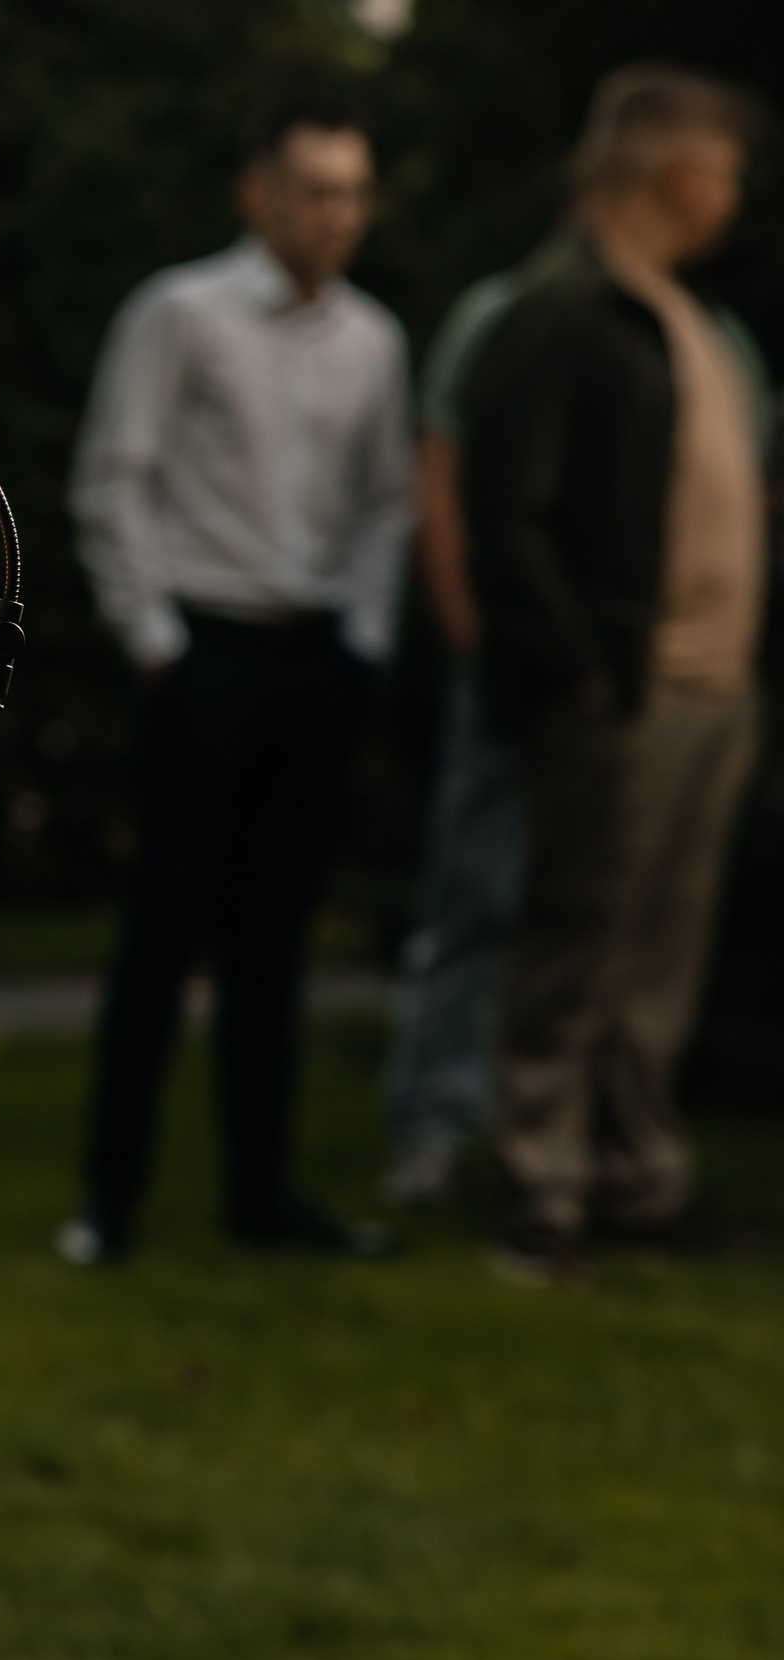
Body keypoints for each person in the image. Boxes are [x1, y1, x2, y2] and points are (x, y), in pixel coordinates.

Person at [59, 96, 412, 1264]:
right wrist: (155, 638)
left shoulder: (374, 340)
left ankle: (260, 1193)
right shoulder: (182, 312)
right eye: (314, 189)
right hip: (200, 653)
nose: (335, 214)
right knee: (163, 930)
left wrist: (359, 637)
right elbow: (117, 478)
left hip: (314, 662)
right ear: (256, 193)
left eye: (352, 191)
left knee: (274, 939)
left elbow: (383, 504)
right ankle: (110, 1199)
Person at [462, 66, 771, 1283]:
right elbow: (508, 516)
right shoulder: (560, 310)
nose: (736, 195)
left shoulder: (684, 316)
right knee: (579, 942)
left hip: (713, 690)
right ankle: (536, 1188)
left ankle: (637, 1179)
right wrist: (584, 672)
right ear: (678, 172)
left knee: (661, 956)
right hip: (621, 693)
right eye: (730, 172)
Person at [378, 269, 522, 1208]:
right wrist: (467, 630)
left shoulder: (704, 329)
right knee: (474, 895)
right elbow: (436, 472)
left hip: (642, 679)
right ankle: (431, 1130)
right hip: (505, 661)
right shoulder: (497, 316)